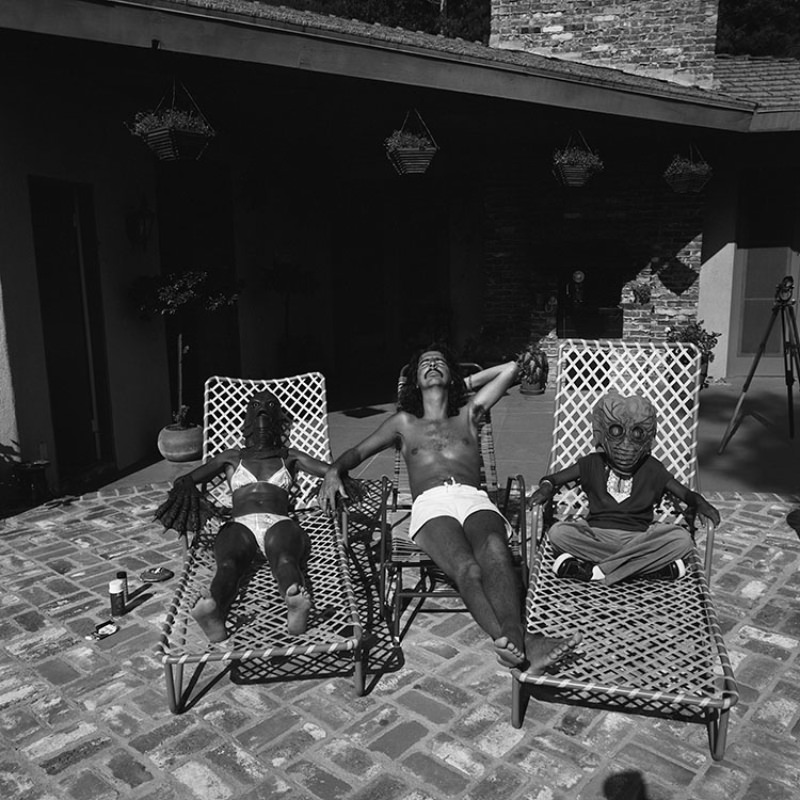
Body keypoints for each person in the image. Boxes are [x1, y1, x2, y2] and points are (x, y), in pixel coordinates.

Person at [319, 344, 581, 672]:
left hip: (473, 498)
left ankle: (516, 641)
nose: (431, 365)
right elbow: (356, 454)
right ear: (413, 381)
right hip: (431, 504)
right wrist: (333, 470)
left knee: (497, 552)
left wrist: (467, 382)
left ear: (453, 376)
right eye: (424, 364)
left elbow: (509, 372)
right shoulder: (403, 422)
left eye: (440, 363)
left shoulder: (470, 413)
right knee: (467, 569)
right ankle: (525, 644)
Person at [155, 389, 337, 642]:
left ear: (278, 421)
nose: (262, 412)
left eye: (269, 407)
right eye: (256, 407)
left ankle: (294, 603)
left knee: (285, 559)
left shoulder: (290, 457)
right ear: (248, 420)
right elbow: (187, 479)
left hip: (279, 523)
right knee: (228, 564)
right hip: (239, 526)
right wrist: (188, 498)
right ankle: (214, 611)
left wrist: (333, 478)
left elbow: (331, 471)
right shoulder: (232, 457)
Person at [529, 390, 721, 584]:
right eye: (616, 433)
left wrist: (700, 502)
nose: (626, 445)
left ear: (647, 437)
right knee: (558, 533)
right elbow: (554, 479)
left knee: (682, 540)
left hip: (639, 538)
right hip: (597, 536)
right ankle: (640, 569)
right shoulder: (592, 463)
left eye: (636, 434)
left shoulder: (652, 468)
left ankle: (598, 571)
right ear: (602, 433)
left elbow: (685, 493)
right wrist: (546, 487)